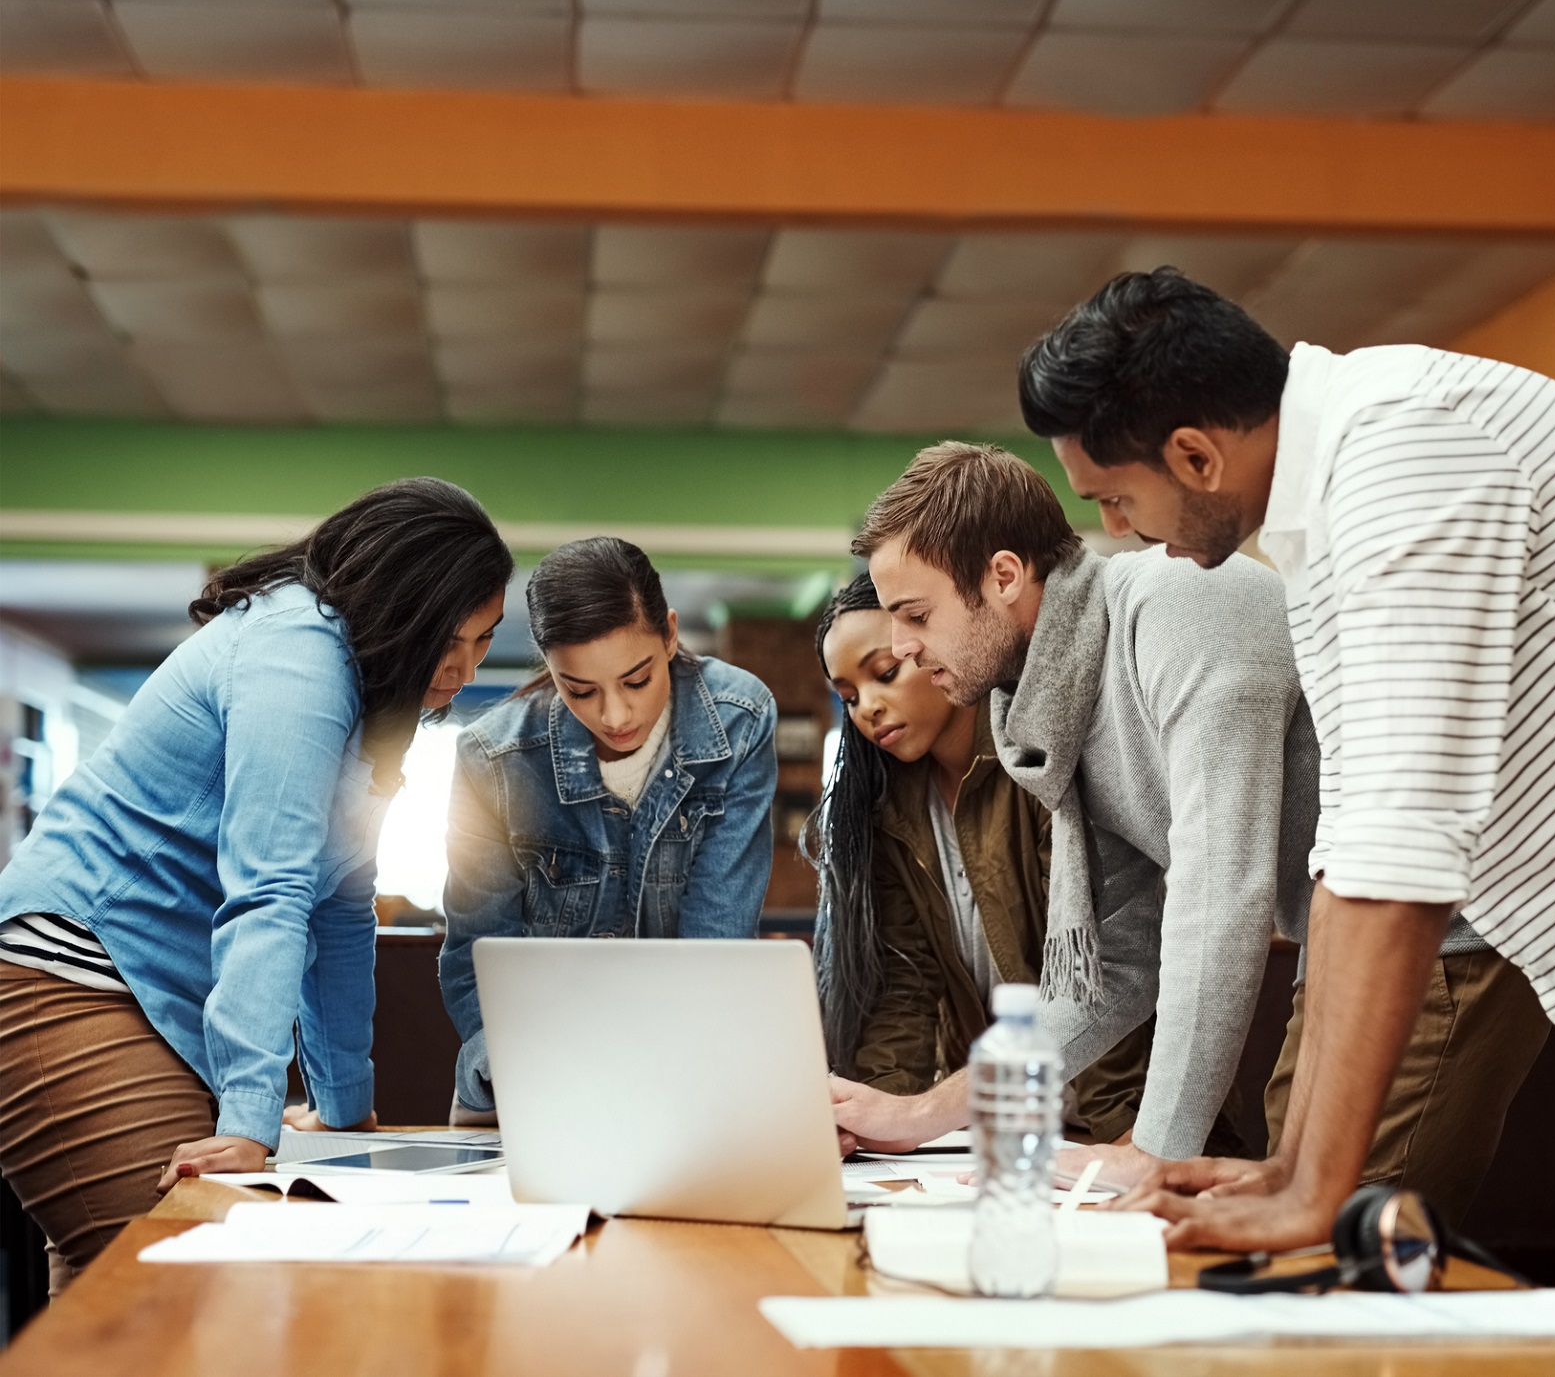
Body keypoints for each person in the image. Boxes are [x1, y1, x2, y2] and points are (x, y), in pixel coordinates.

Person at [1023, 267, 1555, 1377]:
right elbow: (1346, 850)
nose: (1118, 530)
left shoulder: (1405, 452)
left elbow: (1401, 847)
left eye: (1112, 497)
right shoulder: (1325, 509)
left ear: (1196, 454)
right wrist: (1292, 1167)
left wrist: (1318, 1191)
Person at [0, 478, 513, 1289]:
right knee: (191, 1275)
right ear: (400, 607)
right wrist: (249, 1121)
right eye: (448, 636)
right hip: (66, 976)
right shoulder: (297, 653)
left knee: (120, 1297)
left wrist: (347, 1109)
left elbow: (340, 906)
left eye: (483, 640)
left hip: (150, 1000)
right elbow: (268, 889)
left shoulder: (382, 697)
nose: (462, 666)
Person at [830, 441, 1319, 1188]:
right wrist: (921, 1114)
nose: (902, 645)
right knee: (1294, 1225)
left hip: (1440, 927)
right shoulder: (1048, 708)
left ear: (1002, 575)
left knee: (1320, 1235)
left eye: (915, 614)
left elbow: (1222, 895)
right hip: (1343, 947)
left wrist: (1157, 1149)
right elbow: (1115, 965)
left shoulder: (1180, 601)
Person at [439, 537, 776, 1124]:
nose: (615, 716)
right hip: (530, 1078)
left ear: (670, 634)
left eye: (638, 680)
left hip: (684, 1072)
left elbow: (716, 945)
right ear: (549, 667)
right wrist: (530, 1068)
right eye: (580, 691)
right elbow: (477, 955)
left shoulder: (739, 721)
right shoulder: (493, 759)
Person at [806, 573, 1151, 1143]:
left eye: (885, 673)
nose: (867, 707)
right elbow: (903, 991)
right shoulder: (890, 812)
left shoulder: (1043, 765)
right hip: (1003, 1128)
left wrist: (1131, 1137)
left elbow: (1106, 971)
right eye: (848, 697)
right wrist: (877, 1120)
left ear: (931, 646)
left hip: (1117, 1122)